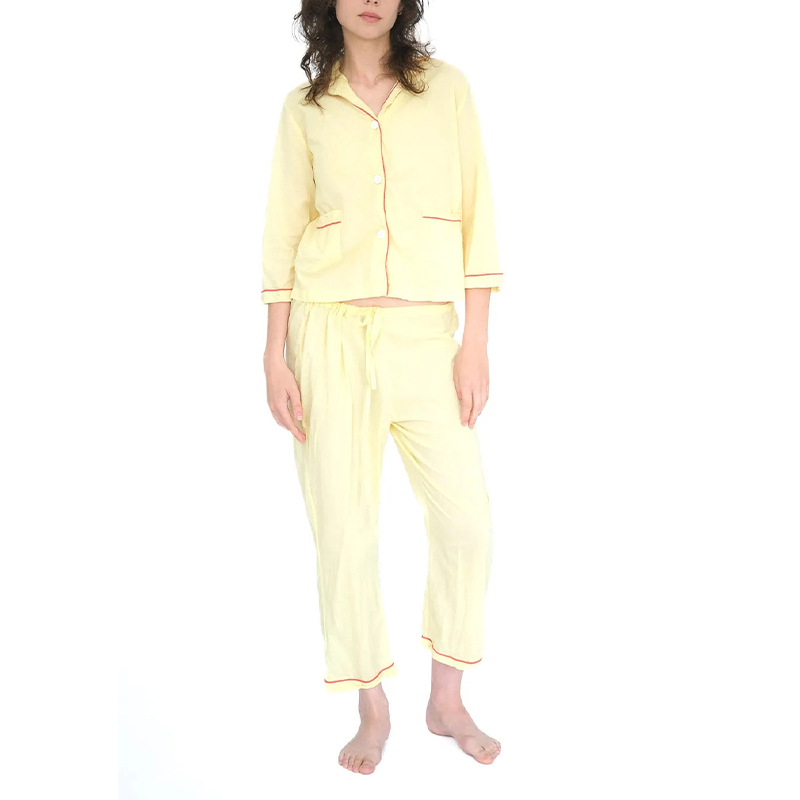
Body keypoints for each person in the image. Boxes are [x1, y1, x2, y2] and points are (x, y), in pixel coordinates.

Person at [261, 0, 504, 774]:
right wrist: (275, 354)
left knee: (467, 521)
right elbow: (283, 230)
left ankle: (447, 700)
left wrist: (476, 344)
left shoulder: (447, 90)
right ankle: (371, 705)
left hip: (426, 338)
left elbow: (478, 214)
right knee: (344, 531)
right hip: (324, 336)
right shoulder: (304, 108)